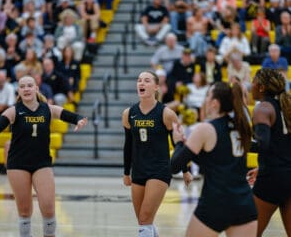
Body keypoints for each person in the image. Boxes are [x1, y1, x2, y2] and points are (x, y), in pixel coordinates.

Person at [0, 75, 87, 237]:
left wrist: (79, 120)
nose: (26, 89)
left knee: (49, 209)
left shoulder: (47, 109)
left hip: (42, 163)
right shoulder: (13, 111)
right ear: (19, 91)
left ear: (36, 88)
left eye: (30, 85)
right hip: (18, 164)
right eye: (23, 86)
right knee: (24, 211)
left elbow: (68, 115)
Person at [171, 81, 257, 237]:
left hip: (215, 203)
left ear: (215, 104)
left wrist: (178, 142)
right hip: (244, 204)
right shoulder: (242, 126)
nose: (205, 101)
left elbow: (175, 165)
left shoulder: (205, 129)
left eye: (207, 96)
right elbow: (216, 160)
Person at [122, 71, 192, 237]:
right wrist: (126, 172)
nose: (142, 83)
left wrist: (185, 169)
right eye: (139, 80)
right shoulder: (128, 113)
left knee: (145, 217)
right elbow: (128, 145)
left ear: (156, 87)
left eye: (147, 81)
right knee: (143, 220)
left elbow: (179, 144)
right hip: (138, 170)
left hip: (159, 169)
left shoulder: (167, 113)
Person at [246, 68, 291, 237]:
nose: (251, 86)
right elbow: (281, 145)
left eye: (253, 82)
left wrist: (236, 141)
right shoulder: (286, 106)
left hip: (272, 178)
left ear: (261, 87)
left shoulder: (262, 108)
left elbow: (262, 144)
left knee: (249, 233)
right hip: (287, 174)